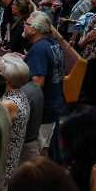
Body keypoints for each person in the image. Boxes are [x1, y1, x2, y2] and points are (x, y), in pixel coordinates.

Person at [23, 11, 66, 147]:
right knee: (47, 148)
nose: (24, 25)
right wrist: (26, 60)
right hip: (55, 102)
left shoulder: (38, 49)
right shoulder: (53, 43)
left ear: (34, 29)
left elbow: (37, 83)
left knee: (38, 151)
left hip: (44, 109)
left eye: (27, 24)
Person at [0, 55, 33, 184]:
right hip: (12, 157)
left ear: (6, 79)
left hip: (5, 162)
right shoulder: (21, 94)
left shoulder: (9, 104)